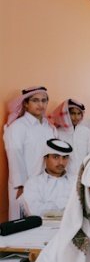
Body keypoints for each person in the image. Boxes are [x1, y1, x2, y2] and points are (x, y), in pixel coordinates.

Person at [3, 86, 56, 219]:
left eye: (44, 101)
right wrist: (22, 187)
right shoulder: (17, 127)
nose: (41, 104)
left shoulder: (49, 127)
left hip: (47, 186)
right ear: (26, 104)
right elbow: (15, 158)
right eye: (35, 100)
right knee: (23, 227)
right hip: (24, 186)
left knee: (45, 224)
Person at [21, 139, 74, 217]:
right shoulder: (33, 183)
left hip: (71, 227)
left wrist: (48, 207)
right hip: (42, 228)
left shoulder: (76, 181)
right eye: (56, 157)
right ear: (45, 158)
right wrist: (68, 206)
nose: (61, 162)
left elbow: (83, 208)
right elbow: (35, 211)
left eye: (65, 157)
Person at [48, 98, 90, 175]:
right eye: (72, 113)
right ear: (66, 114)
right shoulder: (58, 132)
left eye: (78, 114)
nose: (76, 117)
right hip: (64, 175)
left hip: (83, 175)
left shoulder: (86, 131)